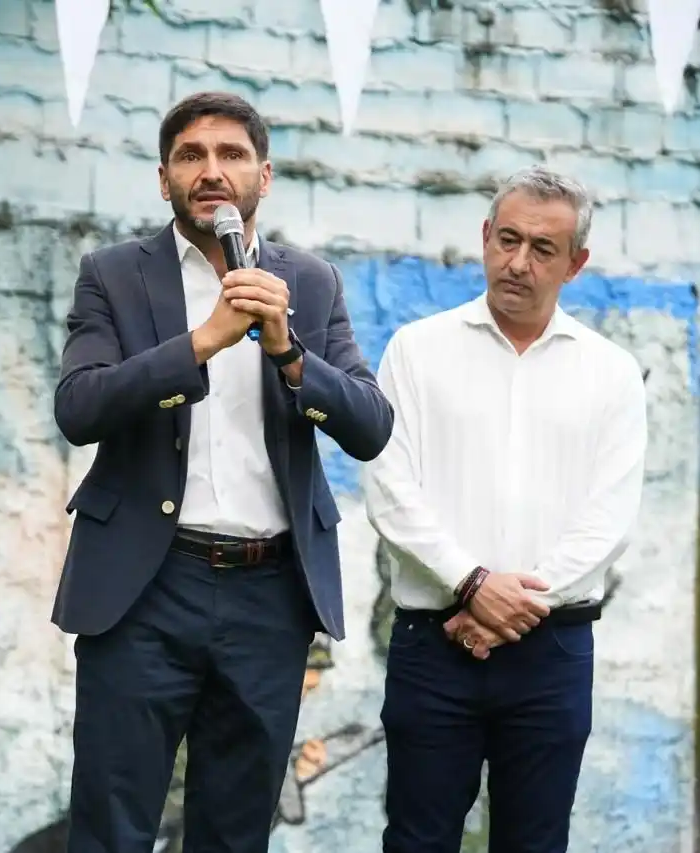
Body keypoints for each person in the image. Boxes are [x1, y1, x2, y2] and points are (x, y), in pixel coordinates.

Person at [51, 90, 394, 853]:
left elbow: (370, 427)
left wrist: (287, 350)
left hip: (268, 595)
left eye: (231, 155)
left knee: (236, 833)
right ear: (164, 178)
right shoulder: (113, 274)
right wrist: (201, 340)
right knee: (110, 823)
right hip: (142, 588)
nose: (212, 171)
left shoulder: (309, 282)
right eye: (191, 155)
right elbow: (79, 406)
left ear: (262, 177)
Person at [364, 165, 648, 853]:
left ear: (575, 263)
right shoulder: (416, 351)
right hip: (433, 645)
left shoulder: (608, 372)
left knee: (534, 842)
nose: (516, 263)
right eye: (507, 240)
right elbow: (389, 489)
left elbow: (606, 518)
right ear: (485, 237)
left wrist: (510, 609)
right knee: (415, 841)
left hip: (549, 651)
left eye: (541, 249)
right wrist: (471, 585)